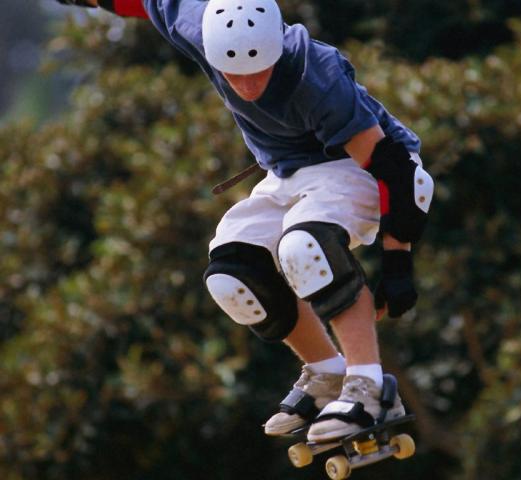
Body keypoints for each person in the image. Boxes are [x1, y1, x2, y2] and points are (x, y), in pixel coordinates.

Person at [57, 0, 434, 442]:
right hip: (290, 172)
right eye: (234, 75)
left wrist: (398, 264)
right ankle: (327, 372)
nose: (248, 85)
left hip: (363, 166)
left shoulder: (315, 75)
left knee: (305, 249)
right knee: (233, 275)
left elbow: (393, 170)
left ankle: (369, 388)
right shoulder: (199, 27)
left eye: (259, 71)